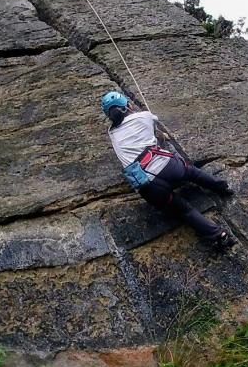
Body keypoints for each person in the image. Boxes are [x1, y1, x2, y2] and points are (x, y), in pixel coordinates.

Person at [101, 91, 237, 249]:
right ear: (128, 106)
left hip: (149, 186)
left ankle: (219, 236)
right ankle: (222, 187)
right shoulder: (143, 116)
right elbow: (153, 125)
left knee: (184, 210)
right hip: (170, 169)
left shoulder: (111, 133)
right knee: (192, 173)